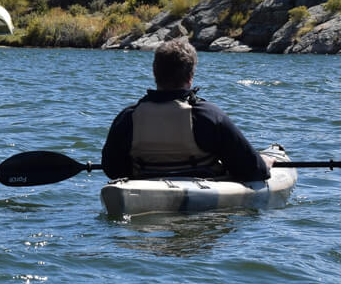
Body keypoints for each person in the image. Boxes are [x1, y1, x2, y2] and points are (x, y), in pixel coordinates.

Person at [101, 38, 273, 181]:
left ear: (155, 73)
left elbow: (112, 169)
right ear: (190, 77)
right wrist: (264, 162)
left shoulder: (128, 117)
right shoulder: (208, 116)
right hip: (203, 202)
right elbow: (253, 171)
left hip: (146, 193)